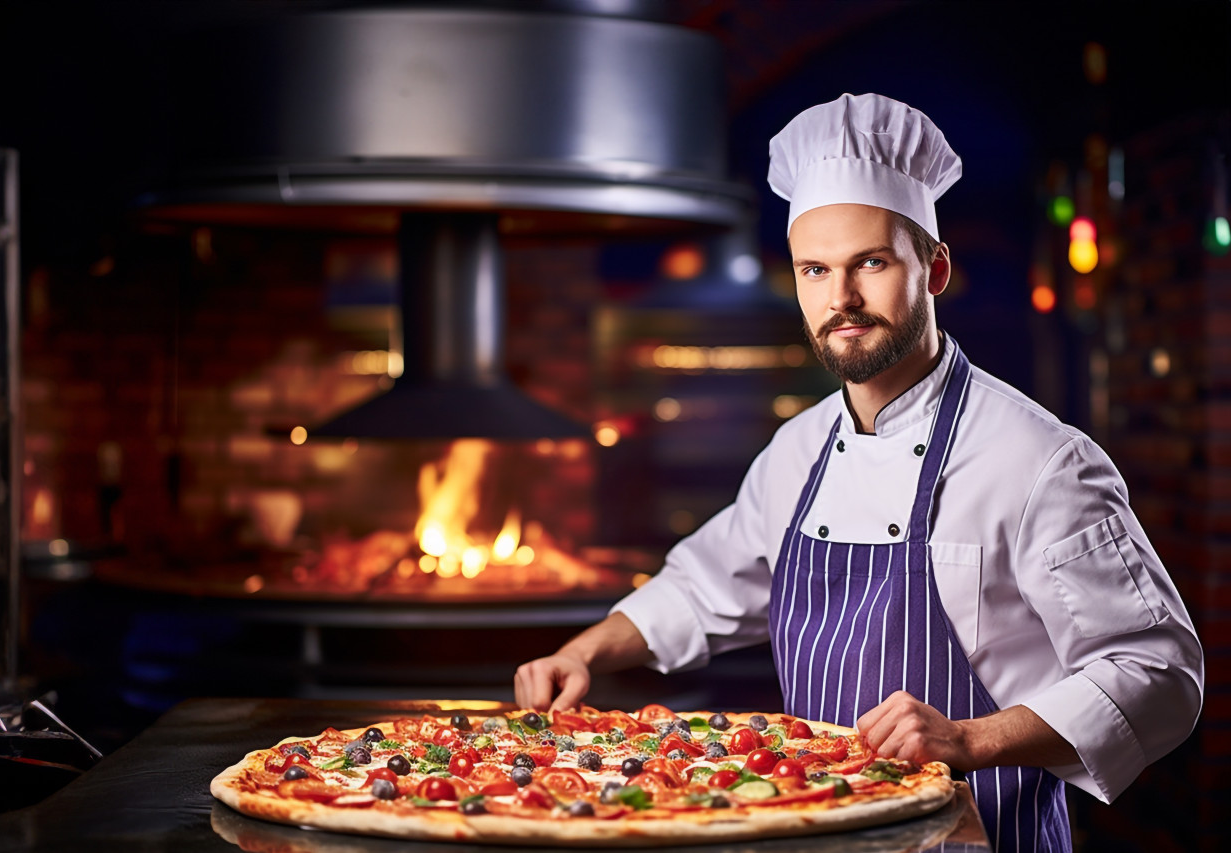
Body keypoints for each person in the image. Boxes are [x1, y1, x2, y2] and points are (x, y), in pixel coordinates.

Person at [515, 93, 1204, 852]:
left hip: (983, 835)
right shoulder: (798, 449)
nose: (840, 300)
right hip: (815, 831)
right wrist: (582, 653)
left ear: (934, 269)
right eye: (815, 270)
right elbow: (701, 587)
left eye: (870, 263)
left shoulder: (1038, 459)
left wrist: (969, 739)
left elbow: (1158, 670)